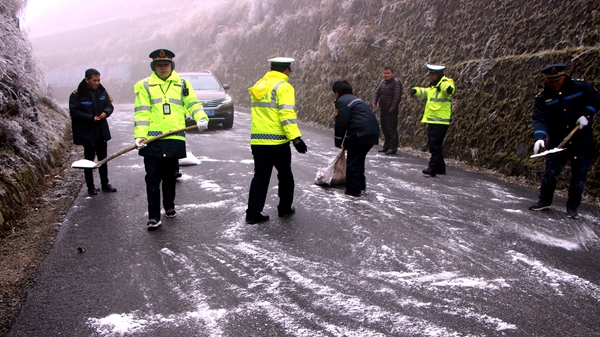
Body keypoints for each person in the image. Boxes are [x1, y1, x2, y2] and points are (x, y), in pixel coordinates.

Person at [133, 49, 209, 230]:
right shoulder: (144, 86)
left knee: (169, 177)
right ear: (154, 66)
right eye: (159, 65)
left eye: (166, 64)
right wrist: (140, 135)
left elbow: (193, 103)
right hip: (152, 140)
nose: (163, 68)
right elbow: (142, 112)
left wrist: (201, 117)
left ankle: (169, 205)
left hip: (174, 138)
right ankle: (153, 216)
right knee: (152, 178)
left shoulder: (182, 84)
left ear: (171, 65)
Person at [529, 63, 600, 219]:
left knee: (579, 175)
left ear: (563, 77)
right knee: (551, 172)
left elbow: (596, 100)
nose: (554, 84)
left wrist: (587, 115)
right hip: (558, 140)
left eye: (557, 80)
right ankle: (544, 201)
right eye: (550, 81)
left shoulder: (580, 88)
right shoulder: (543, 98)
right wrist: (540, 138)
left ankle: (572, 207)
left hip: (581, 140)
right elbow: (540, 119)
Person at [245, 57, 307, 224]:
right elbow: (286, 114)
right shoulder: (283, 87)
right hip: (277, 142)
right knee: (285, 175)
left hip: (258, 141)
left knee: (260, 178)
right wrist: (296, 138)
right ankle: (284, 208)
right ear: (286, 70)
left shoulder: (259, 85)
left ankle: (253, 214)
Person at [69, 68, 117, 195]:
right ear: (87, 80)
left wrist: (105, 113)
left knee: (103, 158)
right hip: (87, 131)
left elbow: (109, 105)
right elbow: (74, 112)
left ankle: (105, 184)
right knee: (89, 160)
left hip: (101, 130)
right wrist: (90, 118)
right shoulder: (77, 95)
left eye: (98, 80)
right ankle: (90, 186)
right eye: (94, 80)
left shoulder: (102, 91)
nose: (97, 83)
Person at [333, 80, 380, 197]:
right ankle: (360, 185)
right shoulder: (356, 100)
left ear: (337, 92)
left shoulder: (342, 102)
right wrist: (347, 142)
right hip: (372, 132)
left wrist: (338, 140)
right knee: (359, 159)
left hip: (360, 133)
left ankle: (353, 190)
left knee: (353, 161)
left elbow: (342, 122)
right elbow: (352, 123)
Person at [411, 64, 455, 177]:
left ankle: (433, 167)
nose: (429, 77)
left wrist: (449, 89)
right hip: (434, 120)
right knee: (435, 144)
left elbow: (448, 87)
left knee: (435, 145)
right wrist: (416, 91)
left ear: (435, 75)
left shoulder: (444, 83)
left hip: (440, 121)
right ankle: (440, 167)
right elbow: (425, 92)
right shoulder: (434, 86)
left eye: (430, 75)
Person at [370, 66, 402, 155]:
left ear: (392, 73)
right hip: (383, 109)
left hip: (391, 111)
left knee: (391, 130)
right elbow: (377, 92)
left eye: (388, 73)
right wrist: (374, 102)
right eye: (385, 73)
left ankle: (393, 147)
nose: (386, 75)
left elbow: (397, 97)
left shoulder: (396, 83)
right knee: (385, 129)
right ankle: (386, 146)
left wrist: (392, 109)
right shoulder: (382, 82)